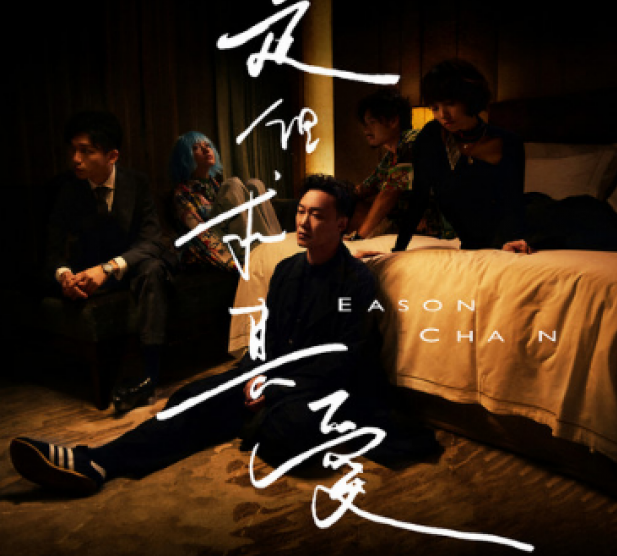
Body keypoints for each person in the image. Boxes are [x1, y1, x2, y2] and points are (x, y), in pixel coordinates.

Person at [10, 174, 438, 496]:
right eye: (301, 211)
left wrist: (273, 385)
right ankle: (96, 461)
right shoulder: (286, 269)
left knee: (289, 432)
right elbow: (265, 336)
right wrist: (254, 374)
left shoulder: (355, 281)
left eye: (317, 214)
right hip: (274, 377)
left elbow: (344, 357)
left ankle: (247, 416)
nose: (303, 221)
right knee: (190, 399)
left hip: (320, 388)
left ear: (342, 223)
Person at [393, 59, 617, 254]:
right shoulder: (431, 138)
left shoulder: (507, 141)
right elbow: (419, 197)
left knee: (584, 208)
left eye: (449, 104)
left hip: (516, 220)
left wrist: (513, 239)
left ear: (469, 98)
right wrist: (398, 249)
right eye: (435, 107)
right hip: (480, 236)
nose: (442, 114)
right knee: (571, 223)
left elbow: (512, 200)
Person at [45, 111, 176, 413]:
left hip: (130, 265)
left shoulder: (137, 183)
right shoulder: (66, 189)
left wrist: (109, 268)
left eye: (86, 151)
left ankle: (149, 376)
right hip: (88, 271)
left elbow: (152, 241)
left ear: (112, 155)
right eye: (73, 150)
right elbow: (52, 251)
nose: (76, 159)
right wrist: (64, 276)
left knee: (153, 268)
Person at [170, 131, 282, 272]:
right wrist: (233, 263)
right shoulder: (183, 193)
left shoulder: (218, 187)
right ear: (185, 158)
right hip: (214, 246)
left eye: (208, 145)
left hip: (233, 236)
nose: (206, 149)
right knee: (233, 183)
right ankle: (248, 253)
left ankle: (276, 246)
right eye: (196, 147)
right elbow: (200, 235)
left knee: (255, 185)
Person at [346, 88, 427, 241]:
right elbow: (364, 189)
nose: (366, 130)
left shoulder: (413, 142)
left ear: (393, 121)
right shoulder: (390, 156)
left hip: (434, 226)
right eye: (365, 124)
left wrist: (359, 236)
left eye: (372, 123)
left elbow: (390, 193)